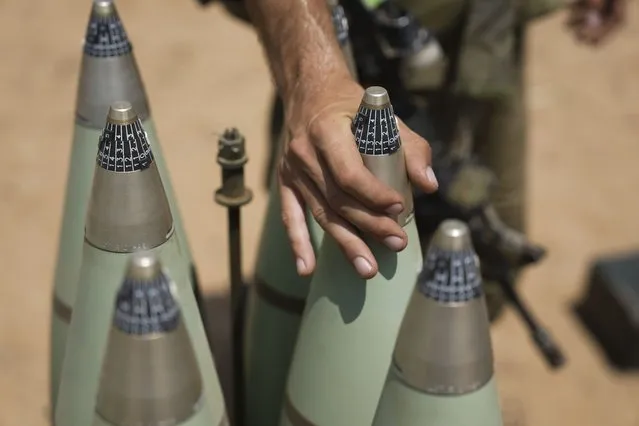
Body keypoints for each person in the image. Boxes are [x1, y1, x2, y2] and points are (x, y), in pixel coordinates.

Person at [242, 0, 626, 283]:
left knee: (486, 274)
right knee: (330, 270)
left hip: (489, 36)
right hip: (347, 43)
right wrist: (314, 75)